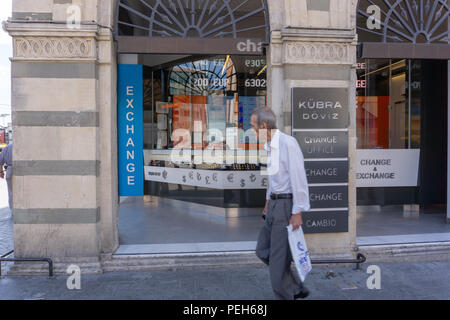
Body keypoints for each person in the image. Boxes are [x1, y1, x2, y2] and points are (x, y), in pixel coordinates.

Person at [251, 107, 311, 300]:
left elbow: (298, 179)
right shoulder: (268, 146)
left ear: (263, 125)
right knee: (262, 250)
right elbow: (273, 179)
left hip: (286, 207)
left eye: (253, 127)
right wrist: (268, 202)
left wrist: (298, 212)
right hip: (274, 205)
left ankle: (286, 292)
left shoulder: (288, 144)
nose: (252, 131)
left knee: (277, 268)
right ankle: (295, 287)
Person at [0, 143, 13, 212]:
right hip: (21, 169)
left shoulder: (6, 147)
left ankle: (12, 210)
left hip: (10, 169)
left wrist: (1, 172)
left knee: (11, 192)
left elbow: (0, 162)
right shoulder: (22, 146)